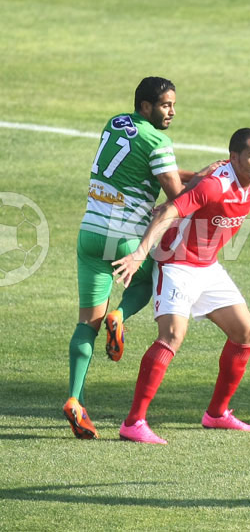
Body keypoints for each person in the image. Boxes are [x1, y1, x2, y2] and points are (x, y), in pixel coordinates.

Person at [64, 76, 219, 439]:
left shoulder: (116, 122)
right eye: (166, 105)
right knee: (149, 278)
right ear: (147, 106)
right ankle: (121, 313)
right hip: (123, 236)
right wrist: (201, 183)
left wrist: (194, 173)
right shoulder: (157, 139)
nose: (172, 112)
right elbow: (175, 194)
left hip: (90, 233)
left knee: (86, 323)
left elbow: (143, 167)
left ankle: (75, 401)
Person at [111, 127, 250, 445]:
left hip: (208, 267)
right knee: (171, 337)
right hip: (177, 264)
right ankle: (133, 422)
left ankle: (217, 414)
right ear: (235, 157)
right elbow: (169, 210)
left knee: (246, 333)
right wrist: (141, 253)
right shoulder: (215, 184)